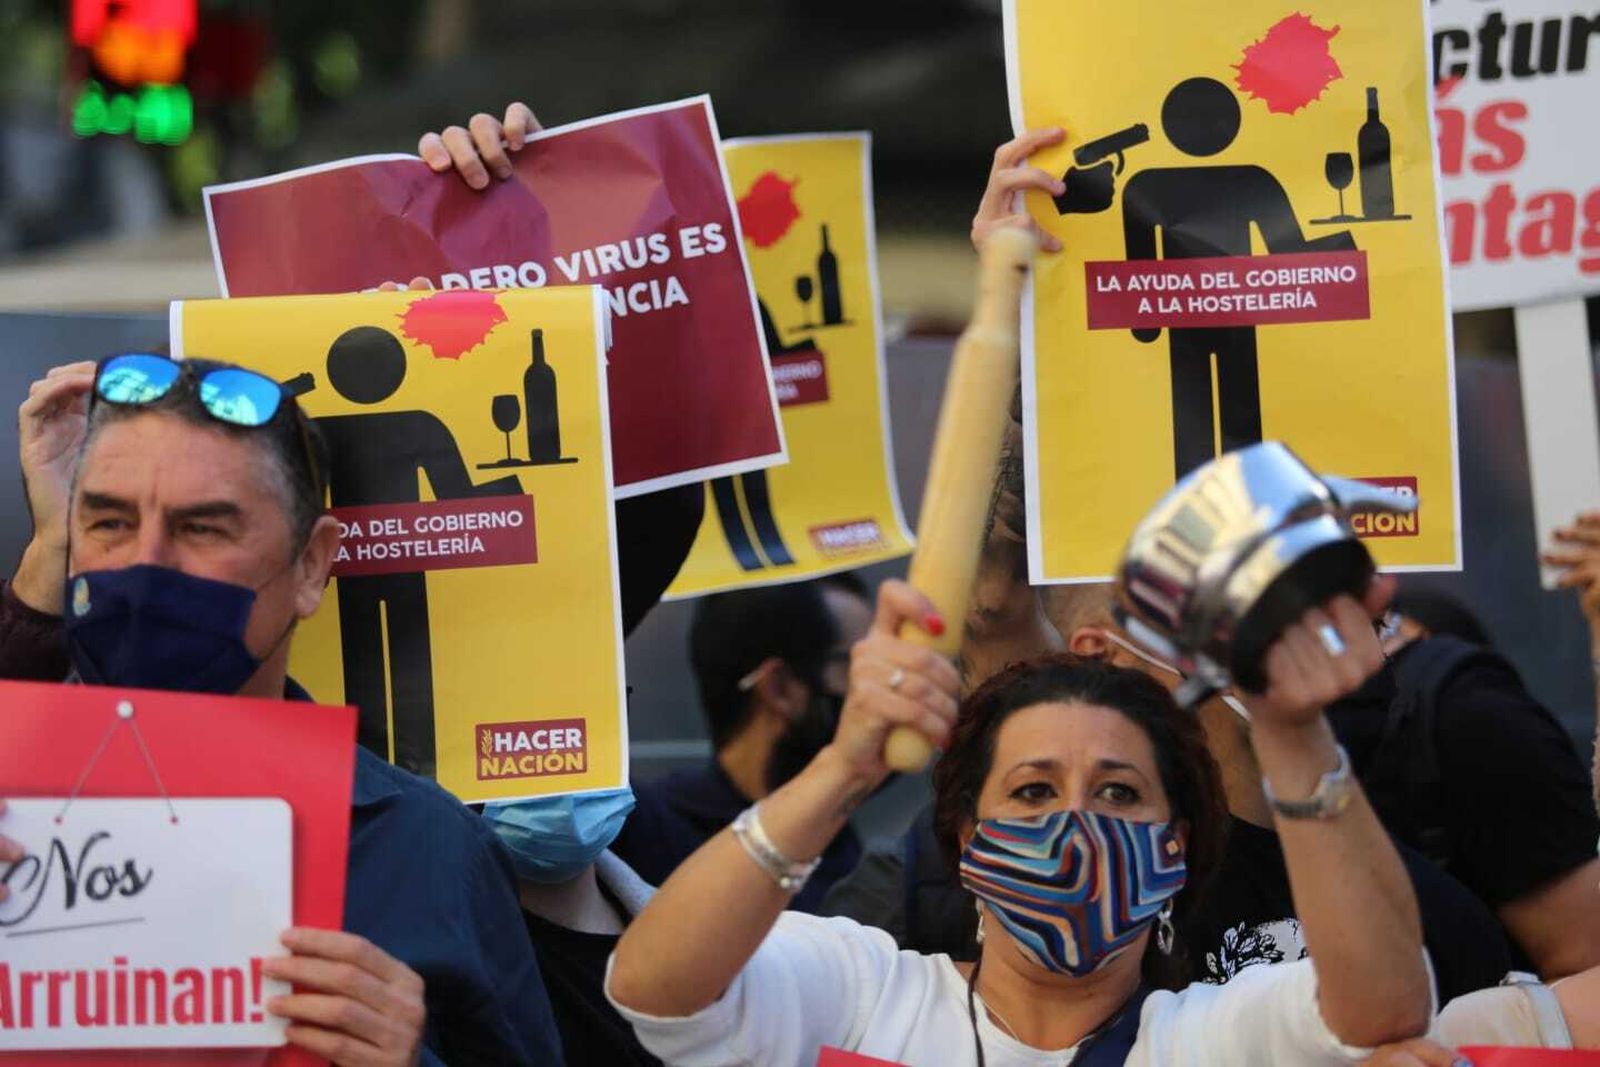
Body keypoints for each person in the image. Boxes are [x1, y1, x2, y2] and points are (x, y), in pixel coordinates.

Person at [820, 131, 1512, 1006]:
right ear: (1097, 654)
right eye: (1177, 595)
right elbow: (989, 601)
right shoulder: (1037, 870)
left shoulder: (1415, 913)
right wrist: (1016, 304)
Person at [605, 577, 1434, 1065]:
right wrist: (844, 767)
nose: (1076, 820)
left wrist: (1292, 732)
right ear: (969, 840)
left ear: (1174, 848)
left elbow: (1384, 1003)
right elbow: (655, 985)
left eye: (1117, 793)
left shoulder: (1209, 1036)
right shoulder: (866, 992)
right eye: (1033, 791)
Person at [0, 355, 561, 1065]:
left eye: (203, 528)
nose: (147, 562)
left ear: (310, 566)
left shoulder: (432, 849)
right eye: (109, 521)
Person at [610, 575, 871, 912]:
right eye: (857, 665)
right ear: (779, 688)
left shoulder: (843, 842)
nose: (881, 688)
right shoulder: (639, 837)